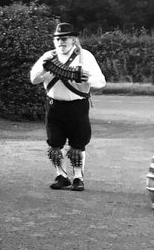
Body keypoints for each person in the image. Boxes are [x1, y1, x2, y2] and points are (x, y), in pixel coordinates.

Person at [29, 22, 106, 192]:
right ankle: (61, 176)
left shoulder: (85, 57)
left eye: (64, 39)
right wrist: (43, 67)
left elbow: (101, 82)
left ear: (73, 40)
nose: (61, 42)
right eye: (57, 39)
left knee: (78, 144)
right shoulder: (48, 57)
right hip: (54, 106)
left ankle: (78, 177)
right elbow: (33, 79)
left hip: (77, 105)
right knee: (54, 143)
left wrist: (86, 79)